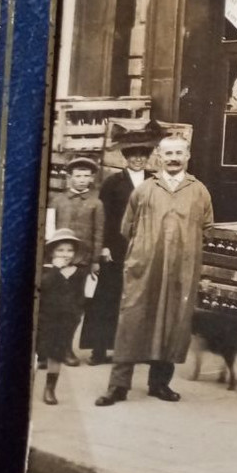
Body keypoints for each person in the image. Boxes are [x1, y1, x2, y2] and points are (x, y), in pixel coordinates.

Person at [96, 135, 213, 407]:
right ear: (158, 157)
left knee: (173, 322)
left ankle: (159, 383)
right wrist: (144, 253)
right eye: (168, 153)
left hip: (180, 272)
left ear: (188, 156)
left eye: (178, 153)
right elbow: (127, 228)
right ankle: (118, 386)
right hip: (144, 267)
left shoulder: (199, 191)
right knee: (132, 321)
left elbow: (207, 228)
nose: (173, 158)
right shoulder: (145, 190)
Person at [82, 138, 155, 364]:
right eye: (133, 155)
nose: (138, 159)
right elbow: (104, 218)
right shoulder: (113, 183)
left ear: (148, 158)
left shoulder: (154, 182)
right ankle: (99, 350)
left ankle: (136, 350)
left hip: (144, 248)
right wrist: (104, 246)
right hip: (115, 249)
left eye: (142, 155)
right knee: (108, 298)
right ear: (125, 158)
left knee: (139, 299)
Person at [47, 157, 105, 367]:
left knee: (74, 308)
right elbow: (49, 230)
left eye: (86, 176)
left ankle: (66, 348)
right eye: (77, 175)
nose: (82, 180)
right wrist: (50, 259)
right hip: (58, 262)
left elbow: (99, 233)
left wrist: (95, 260)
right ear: (69, 177)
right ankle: (48, 349)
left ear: (92, 178)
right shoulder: (58, 201)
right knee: (53, 306)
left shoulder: (96, 203)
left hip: (82, 263)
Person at [36, 230, 87, 406]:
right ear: (51, 252)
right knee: (37, 353)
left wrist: (76, 314)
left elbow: (80, 296)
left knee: (56, 354)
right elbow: (44, 286)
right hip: (44, 318)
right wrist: (56, 269)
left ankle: (50, 388)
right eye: (60, 250)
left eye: (69, 250)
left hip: (65, 320)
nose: (65, 254)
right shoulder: (45, 270)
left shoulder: (79, 272)